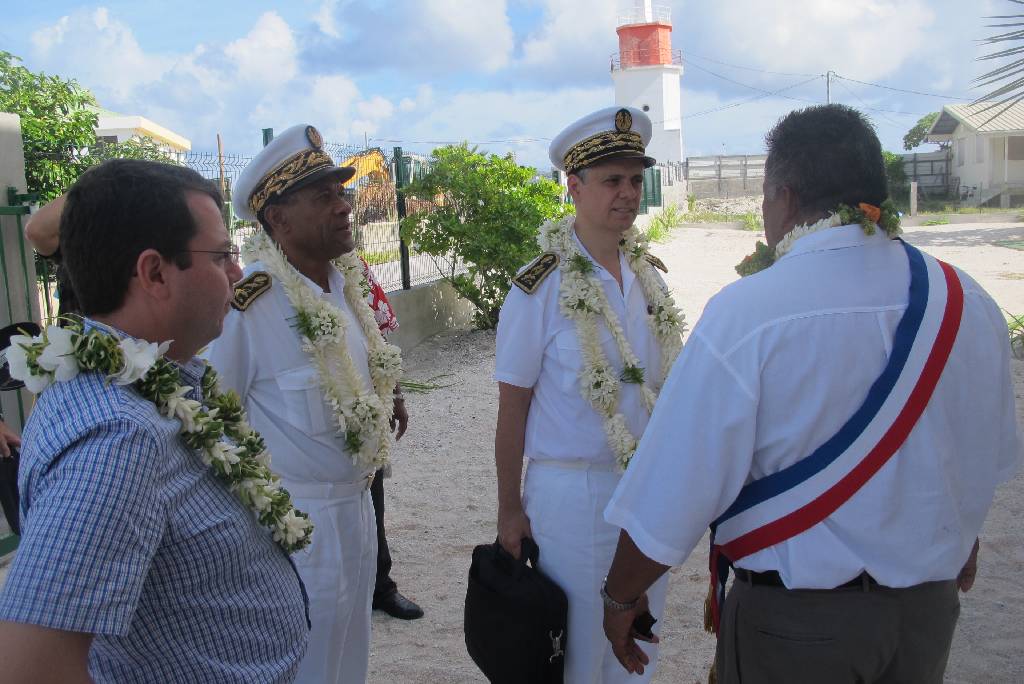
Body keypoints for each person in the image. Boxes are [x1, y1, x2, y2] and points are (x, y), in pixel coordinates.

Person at [601, 104, 1023, 683]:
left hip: (799, 627)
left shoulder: (749, 313)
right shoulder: (967, 301)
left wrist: (622, 596)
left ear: (786, 196)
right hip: (928, 614)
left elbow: (676, 484)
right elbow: (983, 452)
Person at [0, 159, 311, 682]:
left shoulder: (157, 383)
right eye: (221, 256)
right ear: (154, 272)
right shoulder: (119, 436)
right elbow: (31, 664)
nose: (237, 273)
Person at [206, 124, 407, 684]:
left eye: (342, 194)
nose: (343, 207)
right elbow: (211, 426)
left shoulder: (346, 287)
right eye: (324, 197)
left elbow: (354, 367)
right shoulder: (250, 306)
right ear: (277, 219)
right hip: (293, 526)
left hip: (359, 508)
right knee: (303, 667)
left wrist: (388, 391)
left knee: (349, 661)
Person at [493, 106, 685, 683]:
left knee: (637, 650)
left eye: (634, 179)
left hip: (646, 493)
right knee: (577, 653)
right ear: (573, 188)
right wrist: (509, 507)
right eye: (611, 181)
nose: (628, 193)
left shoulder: (651, 277)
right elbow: (513, 407)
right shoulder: (540, 287)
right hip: (572, 495)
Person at [361, 262, 424, 621]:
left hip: (367, 405)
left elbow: (379, 341)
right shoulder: (267, 282)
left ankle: (379, 583)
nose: (341, 210)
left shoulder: (354, 271)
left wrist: (397, 396)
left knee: (373, 491)